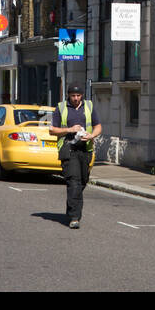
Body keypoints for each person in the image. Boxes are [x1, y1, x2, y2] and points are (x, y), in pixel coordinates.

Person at [48, 84, 102, 229]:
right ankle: (74, 217)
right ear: (68, 95)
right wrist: (69, 129)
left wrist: (92, 135)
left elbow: (98, 126)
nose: (76, 99)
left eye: (78, 96)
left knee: (82, 181)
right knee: (74, 181)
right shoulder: (61, 108)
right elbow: (52, 130)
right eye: (73, 96)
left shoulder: (89, 106)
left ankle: (71, 206)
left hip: (85, 149)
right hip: (68, 149)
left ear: (82, 95)